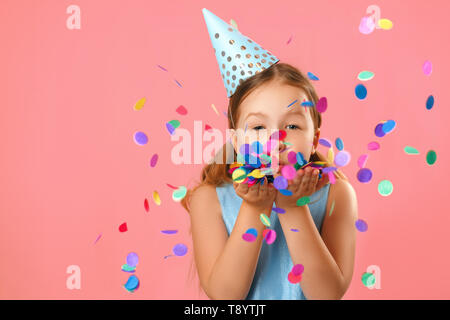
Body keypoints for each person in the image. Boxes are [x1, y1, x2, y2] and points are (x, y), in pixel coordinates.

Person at [180, 9, 358, 300]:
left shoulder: (338, 194)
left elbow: (327, 295)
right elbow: (225, 297)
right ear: (236, 142)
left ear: (314, 139)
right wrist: (254, 208)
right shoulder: (208, 198)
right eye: (259, 126)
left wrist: (292, 206)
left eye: (292, 125)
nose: (277, 140)